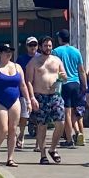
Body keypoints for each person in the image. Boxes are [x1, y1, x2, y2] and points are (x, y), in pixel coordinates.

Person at [0, 44, 31, 167]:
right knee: (3, 129)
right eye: (5, 51)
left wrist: (28, 101)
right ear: (0, 53)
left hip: (15, 100)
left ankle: (10, 158)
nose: (8, 54)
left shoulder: (17, 67)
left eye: (10, 51)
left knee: (13, 129)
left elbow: (23, 85)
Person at [26, 36, 67, 164]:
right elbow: (28, 81)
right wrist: (32, 98)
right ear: (40, 46)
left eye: (49, 46)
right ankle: (43, 154)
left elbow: (64, 77)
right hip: (40, 96)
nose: (48, 48)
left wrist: (63, 77)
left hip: (55, 95)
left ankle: (52, 149)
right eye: (45, 46)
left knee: (61, 123)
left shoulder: (57, 60)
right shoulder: (34, 62)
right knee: (42, 126)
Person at [52, 29, 88, 148]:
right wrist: (85, 85)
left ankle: (69, 139)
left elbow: (53, 69)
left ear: (60, 39)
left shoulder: (56, 52)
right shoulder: (76, 51)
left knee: (66, 112)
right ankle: (78, 132)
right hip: (76, 83)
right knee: (74, 111)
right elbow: (81, 70)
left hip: (64, 83)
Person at [14, 36, 38, 149]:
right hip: (25, 92)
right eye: (30, 45)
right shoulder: (21, 59)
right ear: (27, 46)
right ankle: (21, 134)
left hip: (39, 90)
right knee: (24, 116)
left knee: (39, 117)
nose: (33, 47)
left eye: (35, 45)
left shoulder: (41, 58)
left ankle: (39, 143)